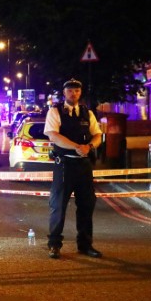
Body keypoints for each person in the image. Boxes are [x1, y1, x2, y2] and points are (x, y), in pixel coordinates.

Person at [44, 78, 103, 259]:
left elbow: (98, 135)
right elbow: (53, 135)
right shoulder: (55, 111)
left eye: (77, 90)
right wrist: (77, 146)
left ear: (80, 92)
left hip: (84, 165)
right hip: (65, 165)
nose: (74, 93)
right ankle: (54, 244)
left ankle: (85, 245)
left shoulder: (88, 113)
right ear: (64, 93)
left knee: (86, 205)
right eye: (70, 90)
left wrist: (90, 147)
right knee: (58, 206)